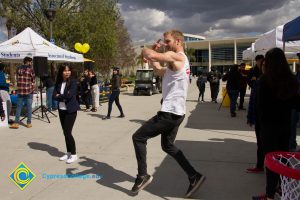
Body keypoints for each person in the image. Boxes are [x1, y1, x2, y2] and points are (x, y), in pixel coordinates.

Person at [132, 30, 205, 198]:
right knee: (168, 146)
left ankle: (142, 176)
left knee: (138, 137)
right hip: (177, 113)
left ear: (178, 41)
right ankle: (194, 176)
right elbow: (158, 70)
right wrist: (152, 58)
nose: (165, 44)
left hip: (169, 113)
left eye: (168, 41)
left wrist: (147, 50)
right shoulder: (175, 65)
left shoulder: (178, 57)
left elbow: (152, 55)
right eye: (164, 41)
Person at [252, 48, 300, 200]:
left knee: (271, 160)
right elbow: (296, 104)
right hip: (285, 125)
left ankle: (269, 194)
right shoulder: (290, 79)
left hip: (268, 126)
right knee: (283, 158)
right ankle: (281, 186)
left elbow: (260, 107)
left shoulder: (265, 80)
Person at [53, 64, 80, 164]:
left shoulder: (73, 82)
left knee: (68, 132)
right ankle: (68, 153)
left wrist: (60, 96)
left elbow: (69, 96)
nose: (67, 72)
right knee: (65, 132)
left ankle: (74, 154)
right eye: (65, 70)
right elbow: (53, 95)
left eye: (68, 70)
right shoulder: (59, 82)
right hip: (61, 109)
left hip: (71, 110)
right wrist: (61, 96)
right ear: (61, 72)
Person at [10, 57, 35, 129]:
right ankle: (29, 123)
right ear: (28, 62)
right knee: (29, 107)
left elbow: (17, 78)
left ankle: (16, 123)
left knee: (19, 107)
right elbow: (33, 81)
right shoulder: (31, 70)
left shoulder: (18, 68)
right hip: (29, 91)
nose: (31, 63)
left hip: (20, 91)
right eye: (30, 62)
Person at [290, 63, 300, 151]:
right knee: (291, 125)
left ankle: (292, 144)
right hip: (295, 104)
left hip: (296, 103)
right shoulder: (297, 74)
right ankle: (292, 145)